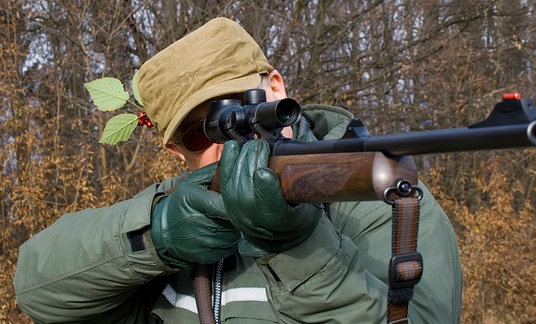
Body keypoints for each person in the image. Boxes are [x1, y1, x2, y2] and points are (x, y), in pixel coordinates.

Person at [14, 17, 462, 323]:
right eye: (200, 132)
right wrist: (156, 236)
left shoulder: (383, 201)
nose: (230, 141)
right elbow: (37, 290)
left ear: (276, 89)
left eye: (242, 110)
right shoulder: (180, 212)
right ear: (176, 151)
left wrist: (298, 244)